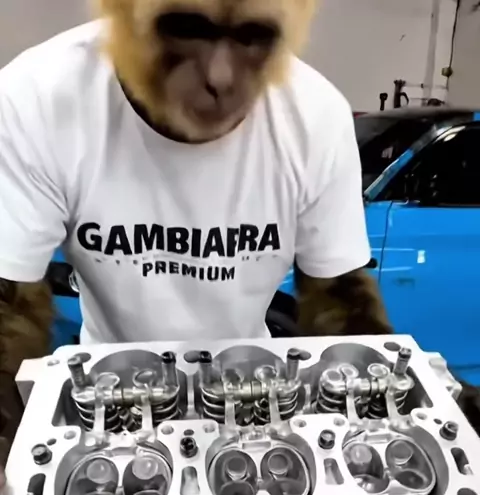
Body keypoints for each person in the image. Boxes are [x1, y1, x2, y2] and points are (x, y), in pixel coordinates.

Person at [0, 0, 391, 468]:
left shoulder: (314, 116)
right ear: (118, 16)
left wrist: (399, 400)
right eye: (187, 30)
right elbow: (9, 299)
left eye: (252, 38)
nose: (220, 77)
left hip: (246, 390)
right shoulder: (41, 98)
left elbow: (339, 300)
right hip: (113, 390)